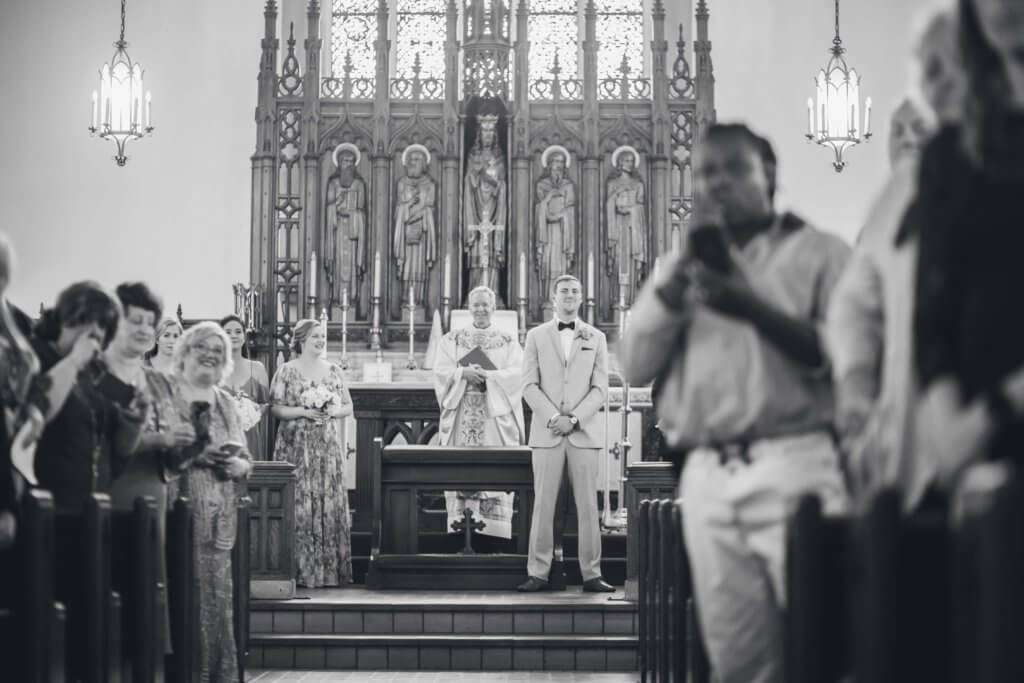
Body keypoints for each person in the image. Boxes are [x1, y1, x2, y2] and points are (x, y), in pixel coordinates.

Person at [620, 124, 850, 683]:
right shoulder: (680, 264)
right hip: (707, 474)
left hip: (794, 464)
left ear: (768, 174)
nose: (716, 183)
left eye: (733, 169)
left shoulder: (820, 252)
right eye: (703, 172)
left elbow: (844, 357)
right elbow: (634, 363)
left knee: (824, 646)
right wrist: (674, 289)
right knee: (740, 661)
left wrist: (746, 305)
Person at [826, 7, 964, 509]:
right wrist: (857, 388)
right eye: (930, 69)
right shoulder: (904, 193)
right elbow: (852, 307)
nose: (943, 82)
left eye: (957, 63)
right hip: (912, 442)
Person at [910, 0, 1024, 487]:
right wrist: (952, 426)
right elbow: (934, 316)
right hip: (984, 461)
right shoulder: (949, 155)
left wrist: (1003, 404)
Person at [104, 282, 190, 655]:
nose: (143, 329)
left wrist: (188, 446)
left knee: (150, 596)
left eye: (148, 321)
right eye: (134, 320)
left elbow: (173, 456)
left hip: (157, 494)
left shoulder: (161, 381)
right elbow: (103, 442)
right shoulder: (97, 376)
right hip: (113, 493)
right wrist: (162, 440)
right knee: (115, 597)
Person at [518, 274, 613, 593]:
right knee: (544, 503)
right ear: (553, 298)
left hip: (583, 432)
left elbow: (601, 389)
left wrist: (573, 418)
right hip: (547, 433)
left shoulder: (596, 337)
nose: (569, 295)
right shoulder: (535, 335)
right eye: (564, 291)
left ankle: (592, 573)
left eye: (575, 291)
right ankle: (538, 571)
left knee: (588, 506)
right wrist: (553, 418)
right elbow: (528, 384)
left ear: (582, 298)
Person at [169, 321, 251, 682]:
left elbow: (246, 456)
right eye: (202, 348)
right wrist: (199, 453)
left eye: (218, 352)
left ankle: (221, 675)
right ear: (185, 352)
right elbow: (162, 449)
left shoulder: (226, 401)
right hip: (180, 508)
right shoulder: (169, 394)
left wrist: (237, 463)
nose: (210, 356)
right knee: (187, 593)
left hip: (221, 514)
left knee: (219, 599)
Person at [32, 281, 146, 512]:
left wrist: (134, 421)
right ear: (61, 320)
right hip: (42, 504)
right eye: (84, 320)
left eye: (103, 326)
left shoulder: (96, 372)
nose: (94, 332)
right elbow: (35, 413)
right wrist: (73, 361)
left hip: (92, 506)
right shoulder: (35, 356)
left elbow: (118, 449)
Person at [433, 285, 524, 539]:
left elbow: (519, 374)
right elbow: (440, 373)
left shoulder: (507, 341)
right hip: (462, 411)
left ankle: (492, 534)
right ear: (468, 308)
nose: (481, 309)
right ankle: (460, 532)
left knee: (492, 472)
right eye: (477, 304)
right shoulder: (452, 339)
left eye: (486, 304)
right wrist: (463, 373)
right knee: (460, 469)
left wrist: (489, 377)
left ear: (494, 308)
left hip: (493, 418)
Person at [270, 319, 353, 587]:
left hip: (326, 448)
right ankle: (298, 571)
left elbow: (348, 407)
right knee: (299, 505)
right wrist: (304, 411)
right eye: (315, 336)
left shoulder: (334, 371)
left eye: (323, 336)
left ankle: (329, 573)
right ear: (301, 339)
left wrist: (331, 410)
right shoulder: (286, 371)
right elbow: (276, 409)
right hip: (295, 447)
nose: (320, 340)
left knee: (326, 502)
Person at [464, 112, 507, 298]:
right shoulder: (473, 156)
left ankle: (493, 293)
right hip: (475, 210)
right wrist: (476, 176)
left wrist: (488, 178)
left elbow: (502, 185)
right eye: (484, 131)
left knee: (490, 252)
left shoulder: (500, 158)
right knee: (477, 250)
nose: (488, 135)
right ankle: (475, 295)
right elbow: (468, 183)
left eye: (491, 132)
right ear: (479, 134)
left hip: (494, 210)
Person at [324, 143, 367, 309]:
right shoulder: (333, 183)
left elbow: (361, 210)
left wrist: (352, 213)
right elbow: (330, 207)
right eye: (344, 161)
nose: (348, 164)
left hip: (353, 233)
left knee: (351, 266)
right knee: (339, 264)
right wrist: (336, 207)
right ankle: (336, 298)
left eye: (351, 161)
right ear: (338, 163)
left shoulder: (359, 184)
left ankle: (353, 299)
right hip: (337, 232)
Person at [394, 144, 438, 307]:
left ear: (425, 164)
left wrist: (417, 213)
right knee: (405, 267)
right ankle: (406, 299)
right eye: (410, 160)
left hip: (422, 234)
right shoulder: (402, 184)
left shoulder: (429, 185)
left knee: (419, 269)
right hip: (405, 234)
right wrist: (409, 207)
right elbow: (399, 208)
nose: (413, 163)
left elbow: (429, 209)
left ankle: (418, 300)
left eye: (417, 160)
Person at [220, 314, 270, 460]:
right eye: (227, 332)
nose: (233, 336)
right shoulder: (213, 368)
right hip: (222, 435)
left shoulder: (257, 368)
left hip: (250, 435)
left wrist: (251, 414)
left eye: (238, 331)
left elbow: (265, 403)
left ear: (244, 336)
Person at [535, 146, 577, 308]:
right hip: (547, 232)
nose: (559, 165)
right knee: (547, 262)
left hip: (562, 230)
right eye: (556, 162)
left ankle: (560, 297)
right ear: (549, 164)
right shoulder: (542, 185)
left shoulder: (568, 185)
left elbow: (570, 208)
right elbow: (540, 207)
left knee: (561, 264)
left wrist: (562, 215)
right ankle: (548, 297)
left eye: (562, 162)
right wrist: (548, 202)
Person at [605, 146, 647, 306]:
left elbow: (640, 207)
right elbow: (609, 204)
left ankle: (631, 298)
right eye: (627, 160)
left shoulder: (638, 184)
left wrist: (631, 209)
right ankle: (617, 298)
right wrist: (616, 198)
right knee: (618, 259)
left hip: (632, 228)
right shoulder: (613, 183)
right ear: (620, 162)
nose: (631, 163)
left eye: (633, 161)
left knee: (630, 259)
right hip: (617, 228)